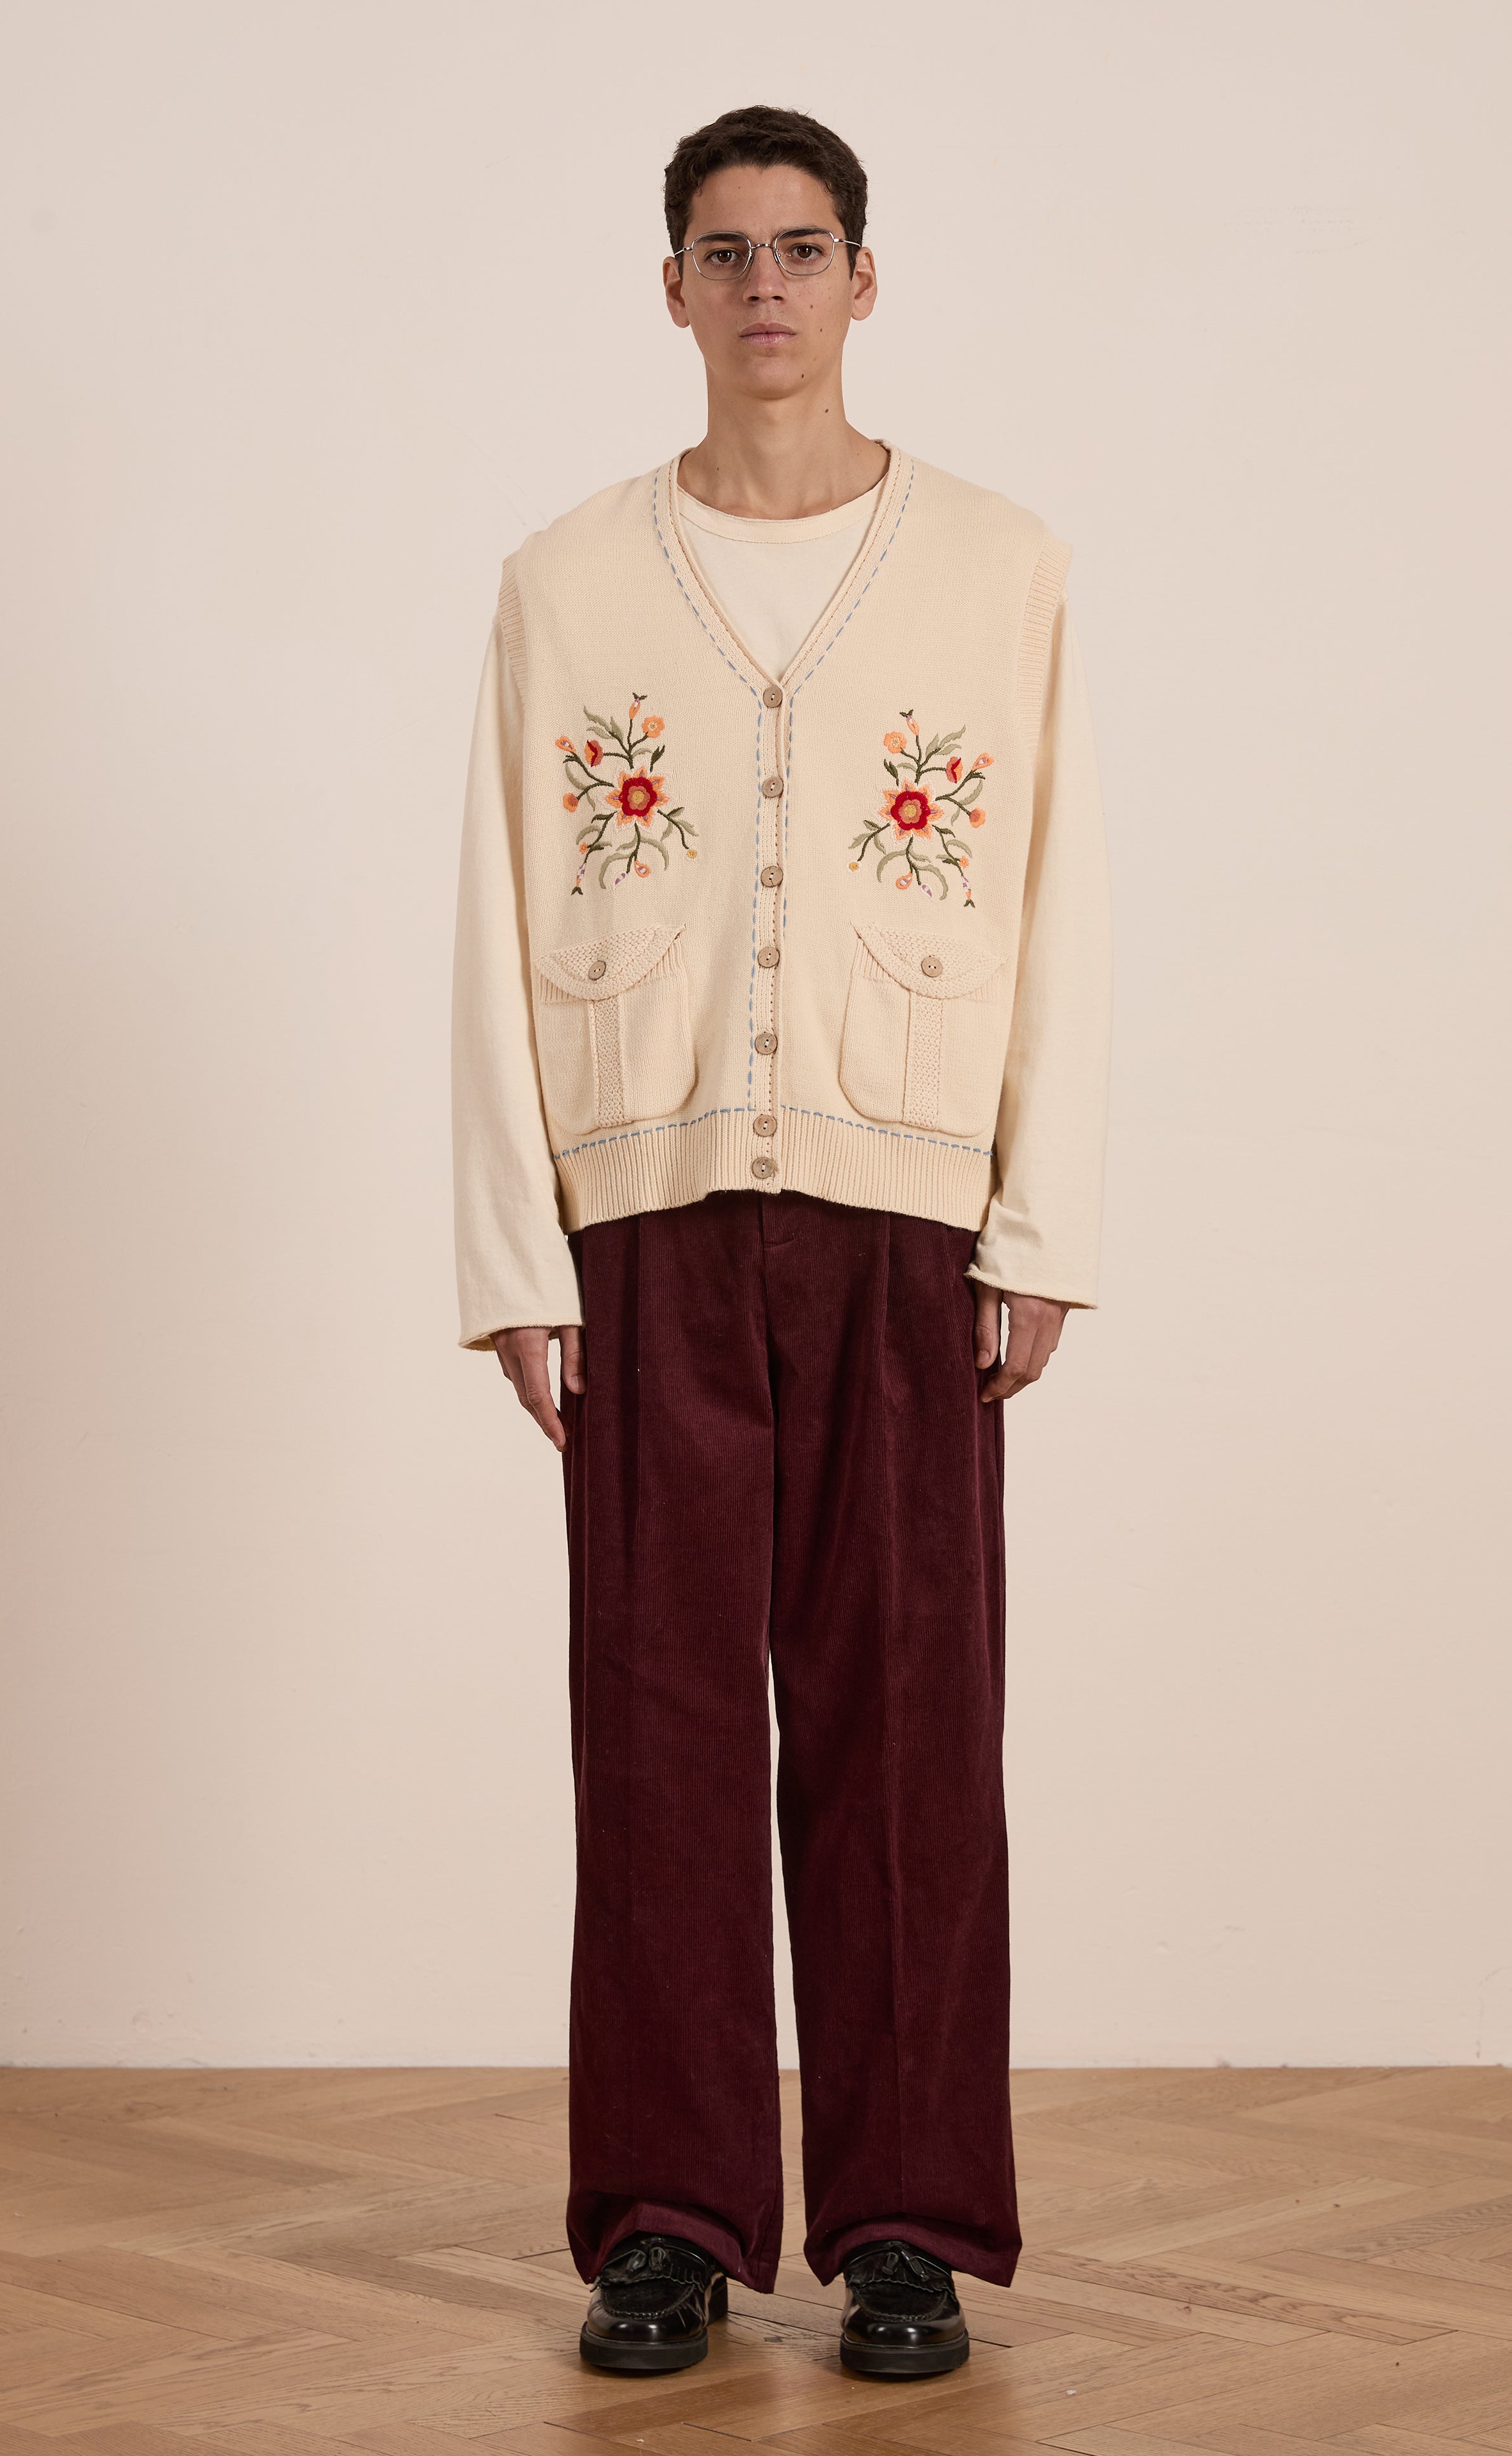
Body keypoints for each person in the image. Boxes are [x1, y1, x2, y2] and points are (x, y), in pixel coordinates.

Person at [452, 103, 1111, 2379]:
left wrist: (1043, 1214)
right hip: (636, 1221)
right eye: (723, 251)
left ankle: (908, 2218)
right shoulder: (566, 581)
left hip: (909, 1225)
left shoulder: (996, 567)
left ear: (861, 280)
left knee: (912, 1725)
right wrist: (512, 1257)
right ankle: (668, 2214)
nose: (764, 288)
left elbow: (1064, 912)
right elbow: (485, 928)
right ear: (669, 288)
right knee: (648, 1735)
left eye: (803, 249)